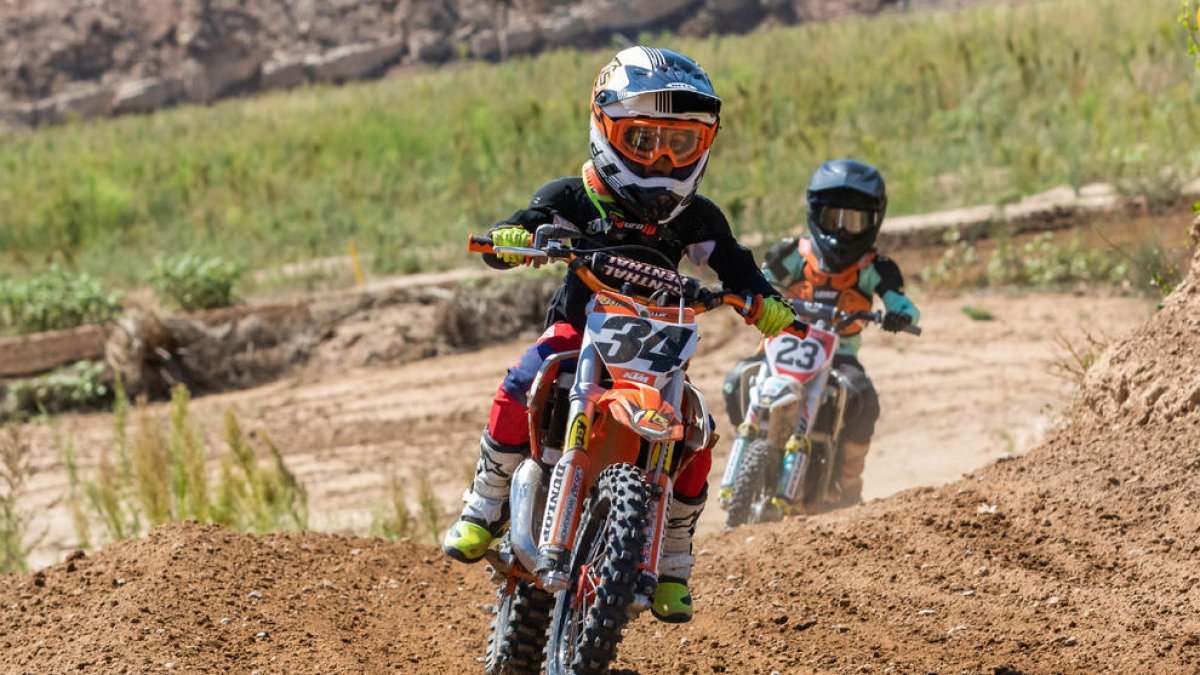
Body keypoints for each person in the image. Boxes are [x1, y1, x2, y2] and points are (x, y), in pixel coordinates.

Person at [441, 46, 796, 623]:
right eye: (642, 140)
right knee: (524, 379)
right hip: (579, 333)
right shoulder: (575, 196)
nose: (660, 158)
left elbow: (737, 266)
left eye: (679, 144)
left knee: (698, 432)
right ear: (605, 129)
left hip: (656, 354)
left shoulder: (695, 217)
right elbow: (528, 222)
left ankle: (675, 560)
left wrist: (768, 303)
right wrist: (511, 239)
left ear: (703, 146)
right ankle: (484, 506)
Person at [722, 159, 920, 507]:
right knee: (736, 379)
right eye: (834, 219)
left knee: (862, 397)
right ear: (816, 214)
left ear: (872, 221)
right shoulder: (792, 253)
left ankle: (848, 480)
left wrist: (898, 317)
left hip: (838, 353)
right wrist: (751, 294)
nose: (842, 231)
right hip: (780, 344)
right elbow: (758, 280)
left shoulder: (875, 267)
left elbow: (901, 302)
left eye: (853, 221)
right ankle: (754, 442)